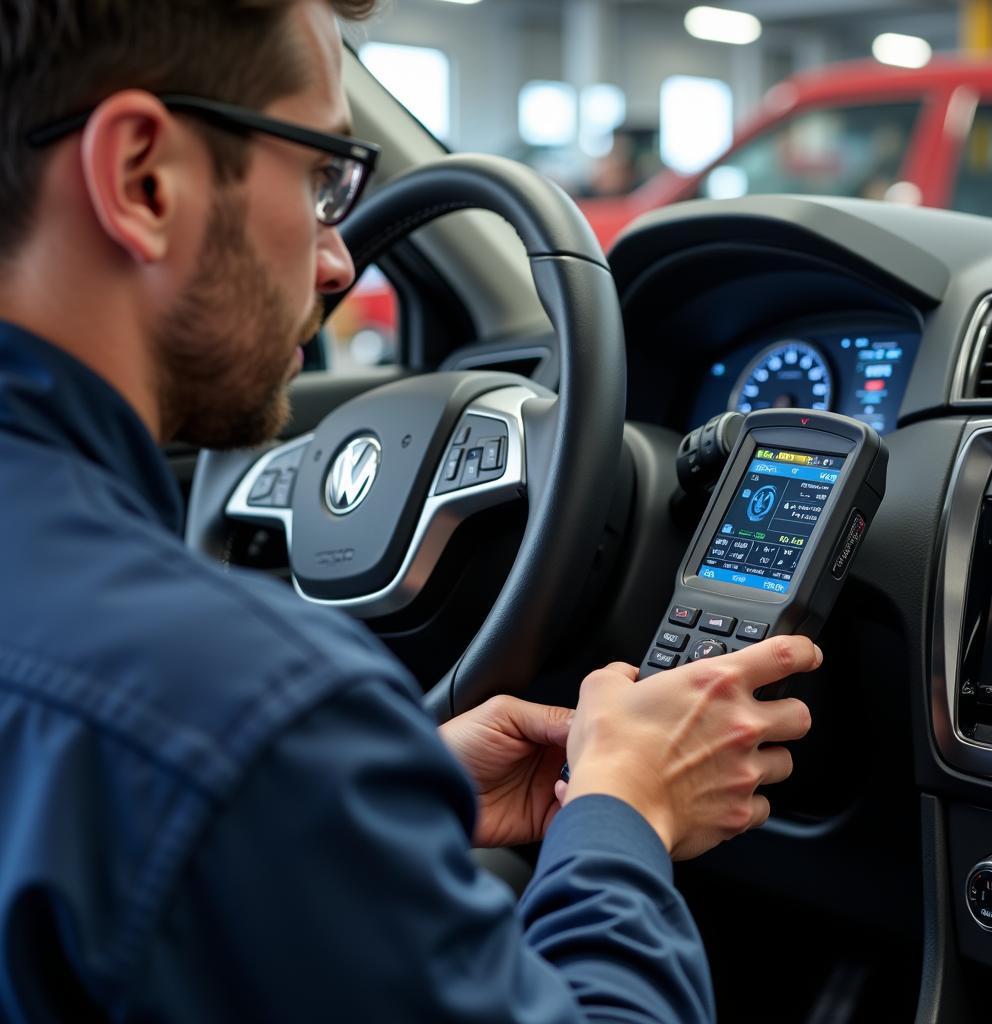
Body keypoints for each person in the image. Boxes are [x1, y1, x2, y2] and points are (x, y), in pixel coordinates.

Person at [0, 1, 818, 1020]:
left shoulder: (215, 736)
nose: (339, 260)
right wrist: (621, 814)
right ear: (143, 180)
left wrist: (368, 796)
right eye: (322, 179)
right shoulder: (245, 711)